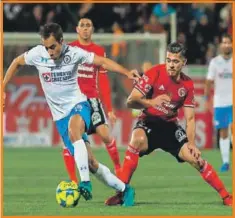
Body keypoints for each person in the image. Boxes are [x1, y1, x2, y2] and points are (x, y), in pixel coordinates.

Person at [3, 23, 139, 206]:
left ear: (61, 42)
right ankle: (125, 190)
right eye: (46, 47)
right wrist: (3, 87)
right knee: (91, 163)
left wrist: (126, 72)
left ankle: (84, 183)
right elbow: (17, 62)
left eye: (53, 46)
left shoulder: (74, 53)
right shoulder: (38, 54)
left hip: (79, 105)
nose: (50, 51)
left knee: (74, 129)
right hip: (59, 116)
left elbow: (102, 61)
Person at [105, 42, 232, 206]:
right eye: (168, 60)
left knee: (196, 159)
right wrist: (151, 102)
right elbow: (130, 102)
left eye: (175, 61)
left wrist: (192, 143)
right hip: (149, 123)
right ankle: (121, 193)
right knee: (136, 140)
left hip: (170, 128)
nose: (171, 65)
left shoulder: (187, 85)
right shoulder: (154, 73)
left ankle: (226, 197)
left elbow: (190, 118)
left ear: (184, 63)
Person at [62, 18, 121, 185]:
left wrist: (109, 109)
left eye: (88, 25)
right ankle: (73, 180)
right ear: (77, 29)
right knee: (70, 141)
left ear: (92, 30)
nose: (85, 28)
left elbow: (103, 81)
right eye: (82, 25)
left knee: (105, 135)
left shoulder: (98, 51)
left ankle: (118, 168)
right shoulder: (70, 49)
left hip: (92, 100)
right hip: (73, 100)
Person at [204, 33, 233, 172]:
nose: (227, 45)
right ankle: (226, 162)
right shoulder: (215, 62)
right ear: (221, 45)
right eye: (225, 42)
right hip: (220, 102)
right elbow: (209, 81)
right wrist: (206, 99)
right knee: (223, 132)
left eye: (229, 42)